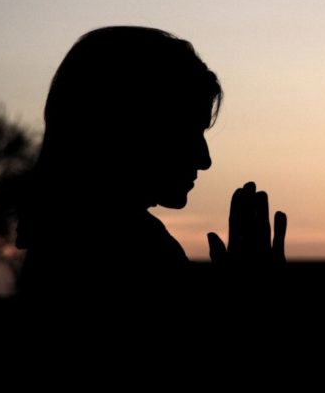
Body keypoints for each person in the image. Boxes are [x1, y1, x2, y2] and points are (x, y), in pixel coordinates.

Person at [16, 26, 286, 321]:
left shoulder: (57, 245)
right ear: (134, 128)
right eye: (187, 132)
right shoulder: (135, 256)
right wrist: (252, 299)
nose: (204, 159)